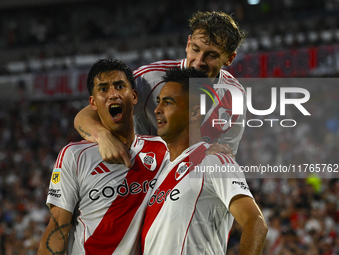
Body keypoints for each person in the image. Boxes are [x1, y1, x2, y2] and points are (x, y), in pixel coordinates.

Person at [74, 11, 247, 167]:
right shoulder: (149, 79)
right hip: (140, 176)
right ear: (187, 44)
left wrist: (222, 155)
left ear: (230, 59)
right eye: (195, 49)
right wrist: (102, 136)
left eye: (212, 55)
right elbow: (85, 116)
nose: (199, 61)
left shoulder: (235, 97)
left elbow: (227, 153)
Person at [37, 58, 169, 255]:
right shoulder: (74, 156)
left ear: (133, 96)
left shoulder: (162, 151)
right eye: (103, 89)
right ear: (93, 103)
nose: (113, 94)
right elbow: (57, 230)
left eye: (119, 86)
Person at [141, 67, 267, 255]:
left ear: (194, 113)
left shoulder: (214, 160)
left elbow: (255, 222)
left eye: (168, 103)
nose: (157, 110)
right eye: (158, 102)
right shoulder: (161, 169)